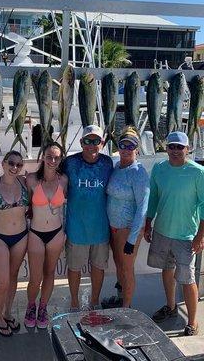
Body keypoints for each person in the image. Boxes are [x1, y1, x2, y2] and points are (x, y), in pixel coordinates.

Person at [145, 131, 204, 336]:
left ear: (188, 149)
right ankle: (170, 306)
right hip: (161, 230)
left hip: (186, 235)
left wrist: (200, 235)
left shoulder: (198, 172)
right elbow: (153, 198)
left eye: (180, 147)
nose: (176, 151)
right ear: (166, 148)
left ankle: (193, 322)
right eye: (172, 146)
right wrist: (147, 223)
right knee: (167, 269)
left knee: (187, 279)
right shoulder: (159, 168)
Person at [62, 125, 113, 310]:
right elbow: (49, 173)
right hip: (76, 228)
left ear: (102, 143)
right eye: (87, 141)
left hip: (100, 227)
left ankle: (94, 301)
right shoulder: (69, 162)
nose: (92, 145)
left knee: (98, 267)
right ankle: (74, 302)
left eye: (96, 141)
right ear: (81, 142)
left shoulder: (108, 163)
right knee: (74, 268)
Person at [0, 151, 28, 337]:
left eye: (19, 164)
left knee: (13, 278)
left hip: (21, 236)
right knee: (3, 282)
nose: (14, 167)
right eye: (11, 163)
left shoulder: (25, 183)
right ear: (3, 164)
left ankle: (8, 312)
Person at [24, 142, 67, 329]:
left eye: (57, 157)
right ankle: (31, 306)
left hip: (56, 234)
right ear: (42, 157)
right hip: (35, 233)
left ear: (61, 159)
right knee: (35, 277)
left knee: (50, 273)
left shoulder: (64, 180)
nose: (52, 160)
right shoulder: (31, 179)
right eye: (49, 156)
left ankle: (43, 307)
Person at [106, 127, 150, 308]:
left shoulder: (138, 172)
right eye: (122, 144)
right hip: (113, 228)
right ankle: (120, 298)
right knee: (118, 266)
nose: (126, 148)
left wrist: (132, 239)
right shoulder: (116, 167)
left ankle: (127, 307)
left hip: (128, 229)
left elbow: (143, 207)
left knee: (126, 268)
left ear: (136, 149)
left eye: (130, 145)